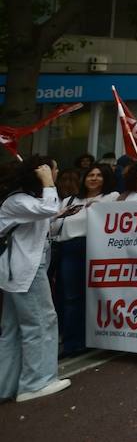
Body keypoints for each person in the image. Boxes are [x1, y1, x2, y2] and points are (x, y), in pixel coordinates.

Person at [0, 156, 71, 403]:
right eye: (53, 169)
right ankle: (36, 382)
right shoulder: (18, 200)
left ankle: (6, 386)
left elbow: (46, 217)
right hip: (26, 271)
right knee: (40, 322)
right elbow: (49, 208)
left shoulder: (24, 201)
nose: (57, 171)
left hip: (18, 271)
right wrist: (49, 183)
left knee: (13, 329)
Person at [49, 163, 115, 357]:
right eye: (90, 175)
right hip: (68, 249)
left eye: (99, 175)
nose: (94, 178)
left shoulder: (110, 198)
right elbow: (53, 227)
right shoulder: (69, 200)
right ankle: (71, 343)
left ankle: (94, 339)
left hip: (95, 248)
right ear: (84, 178)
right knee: (70, 297)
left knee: (94, 296)